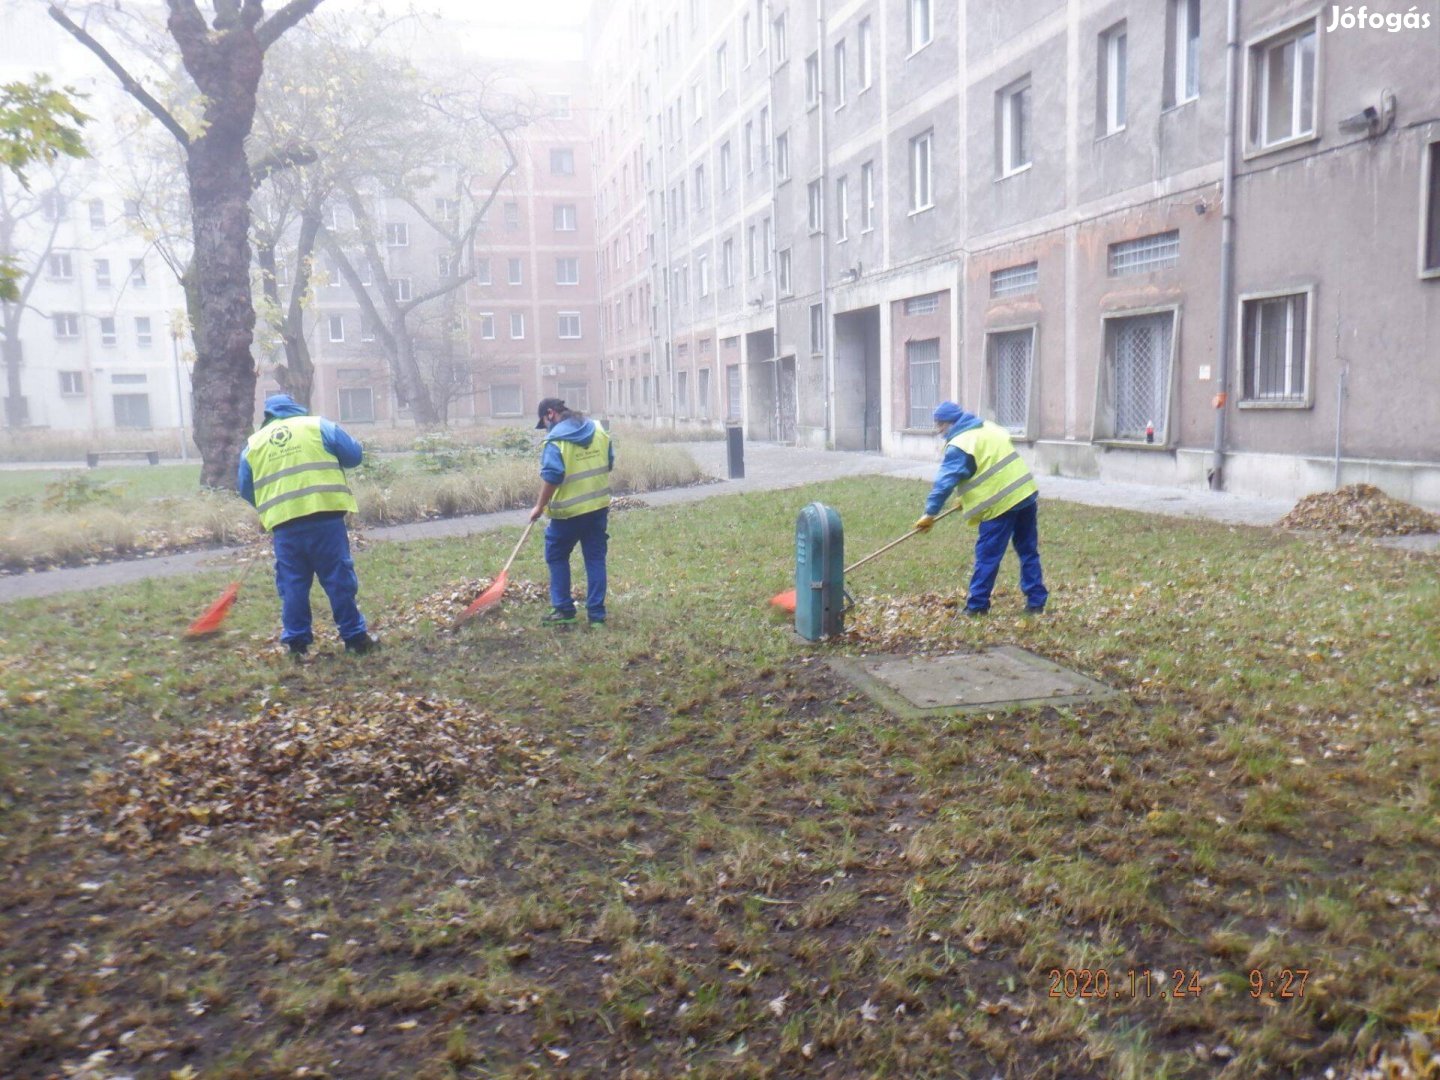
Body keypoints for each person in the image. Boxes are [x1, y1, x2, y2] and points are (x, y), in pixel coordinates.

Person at [237, 393, 379, 656]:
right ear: (296, 409)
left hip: (285, 525)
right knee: (338, 579)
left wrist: (274, 505)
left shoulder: (253, 444)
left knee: (292, 584)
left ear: (268, 416)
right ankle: (355, 639)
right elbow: (354, 456)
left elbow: (245, 488)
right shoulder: (318, 426)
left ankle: (297, 643)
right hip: (325, 518)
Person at [913, 400, 1048, 616]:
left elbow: (945, 482)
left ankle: (977, 606)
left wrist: (930, 513)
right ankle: (1036, 602)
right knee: (1028, 550)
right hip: (1025, 493)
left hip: (1000, 504)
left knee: (988, 556)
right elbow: (989, 463)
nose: (938, 430)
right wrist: (966, 499)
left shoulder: (960, 444)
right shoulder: (988, 427)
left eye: (940, 425)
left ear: (951, 422)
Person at [529, 397, 614, 627]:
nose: (545, 428)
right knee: (595, 559)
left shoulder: (555, 441)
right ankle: (597, 616)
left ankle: (564, 609)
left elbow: (552, 476)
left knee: (556, 556)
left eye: (544, 423)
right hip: (597, 508)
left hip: (566, 515)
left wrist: (539, 506)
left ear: (550, 414)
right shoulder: (598, 429)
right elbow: (610, 462)